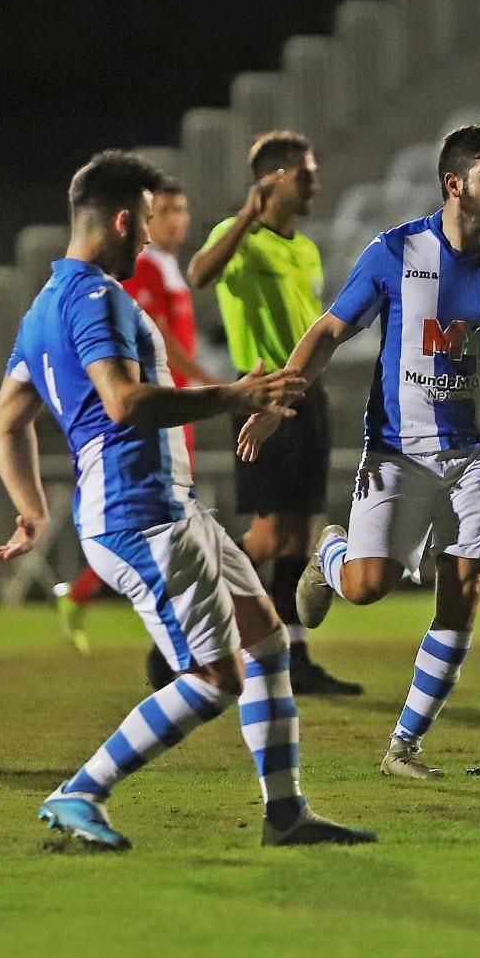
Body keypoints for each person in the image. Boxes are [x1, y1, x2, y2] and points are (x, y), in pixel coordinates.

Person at [0, 150, 374, 849]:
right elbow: (124, 401)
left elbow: (6, 418)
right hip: (140, 514)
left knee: (267, 639)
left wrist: (33, 509)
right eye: (144, 227)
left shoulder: (44, 307)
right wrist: (234, 394)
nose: (148, 242)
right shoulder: (96, 297)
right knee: (216, 674)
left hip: (166, 504)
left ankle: (285, 811)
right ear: (124, 219)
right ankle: (80, 791)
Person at [238, 124, 480, 779]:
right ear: (453, 183)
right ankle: (331, 555)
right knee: (367, 586)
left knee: (463, 588)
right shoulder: (396, 253)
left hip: (478, 454)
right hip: (396, 452)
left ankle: (403, 745)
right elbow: (329, 328)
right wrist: (279, 402)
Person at [185, 130, 360, 695]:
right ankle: (192, 626)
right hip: (261, 395)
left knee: (299, 532)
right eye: (304, 174)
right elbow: (200, 275)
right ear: (273, 178)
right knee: (265, 534)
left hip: (308, 397)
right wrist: (244, 215)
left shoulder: (304, 248)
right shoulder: (242, 240)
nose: (314, 183)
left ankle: (294, 659)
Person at [53, 175, 221, 655]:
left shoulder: (167, 265)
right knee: (161, 510)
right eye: (163, 212)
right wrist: (213, 383)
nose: (174, 222)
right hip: (162, 401)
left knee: (173, 509)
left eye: (180, 211)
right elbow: (161, 337)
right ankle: (175, 630)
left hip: (178, 399)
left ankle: (88, 594)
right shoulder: (144, 267)